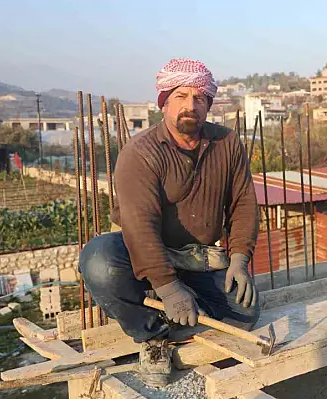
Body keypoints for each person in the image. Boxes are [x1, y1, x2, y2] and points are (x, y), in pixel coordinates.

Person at [79, 58, 260, 387]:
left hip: (197, 256)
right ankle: (152, 334)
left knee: (245, 313)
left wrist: (239, 259)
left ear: (208, 104)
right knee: (99, 260)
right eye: (180, 96)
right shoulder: (140, 152)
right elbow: (139, 225)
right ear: (164, 102)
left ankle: (175, 306)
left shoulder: (226, 143)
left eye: (199, 98)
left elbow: (244, 202)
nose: (190, 106)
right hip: (147, 250)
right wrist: (168, 287)